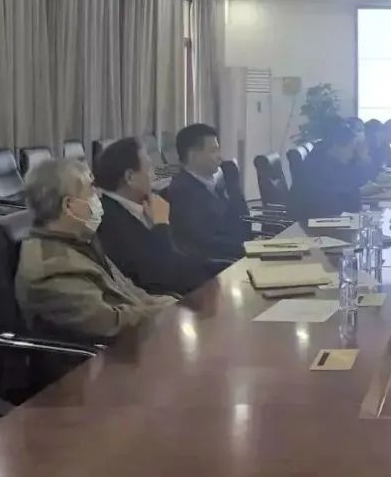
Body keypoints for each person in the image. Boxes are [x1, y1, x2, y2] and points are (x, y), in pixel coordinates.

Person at [15, 158, 176, 342]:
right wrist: (162, 310)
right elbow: (110, 323)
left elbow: (127, 291)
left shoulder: (80, 241)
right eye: (91, 189)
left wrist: (166, 302)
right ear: (69, 206)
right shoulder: (51, 268)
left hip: (138, 338)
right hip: (109, 355)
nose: (98, 195)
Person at [95, 138, 213, 296]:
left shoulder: (141, 205)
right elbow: (161, 273)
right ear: (130, 177)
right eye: (149, 168)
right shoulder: (110, 221)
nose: (154, 175)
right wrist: (161, 225)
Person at [166, 123, 245, 261]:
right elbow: (206, 244)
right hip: (221, 264)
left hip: (237, 253)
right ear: (193, 156)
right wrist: (246, 248)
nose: (220, 157)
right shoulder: (183, 192)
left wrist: (233, 187)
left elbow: (242, 221)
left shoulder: (212, 183)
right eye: (213, 151)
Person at [292, 120, 365, 218]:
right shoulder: (318, 165)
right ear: (337, 146)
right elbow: (348, 200)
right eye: (351, 148)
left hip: (328, 217)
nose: (352, 154)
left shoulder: (329, 160)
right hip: (316, 221)